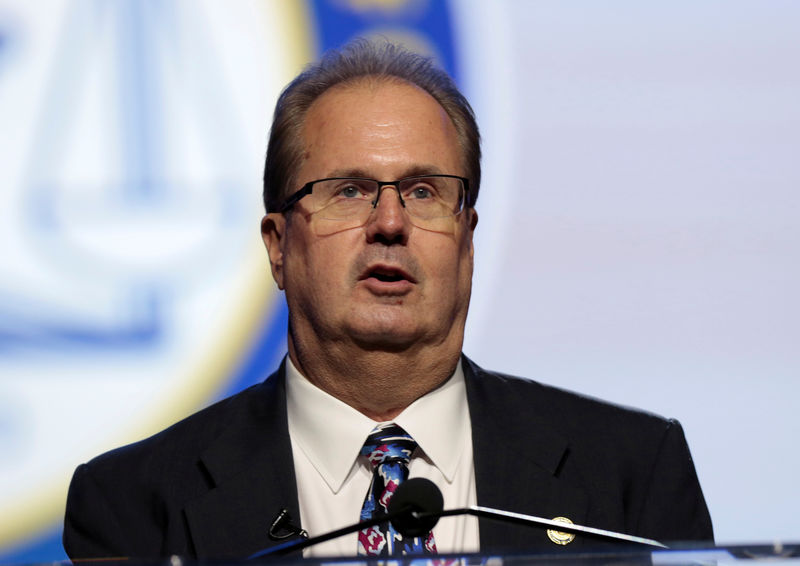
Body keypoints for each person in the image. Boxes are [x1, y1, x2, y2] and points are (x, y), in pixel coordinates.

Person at [63, 39, 713, 560]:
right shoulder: (134, 504)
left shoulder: (630, 474)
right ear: (278, 246)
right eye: (348, 190)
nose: (391, 223)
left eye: (425, 192)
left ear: (467, 239)